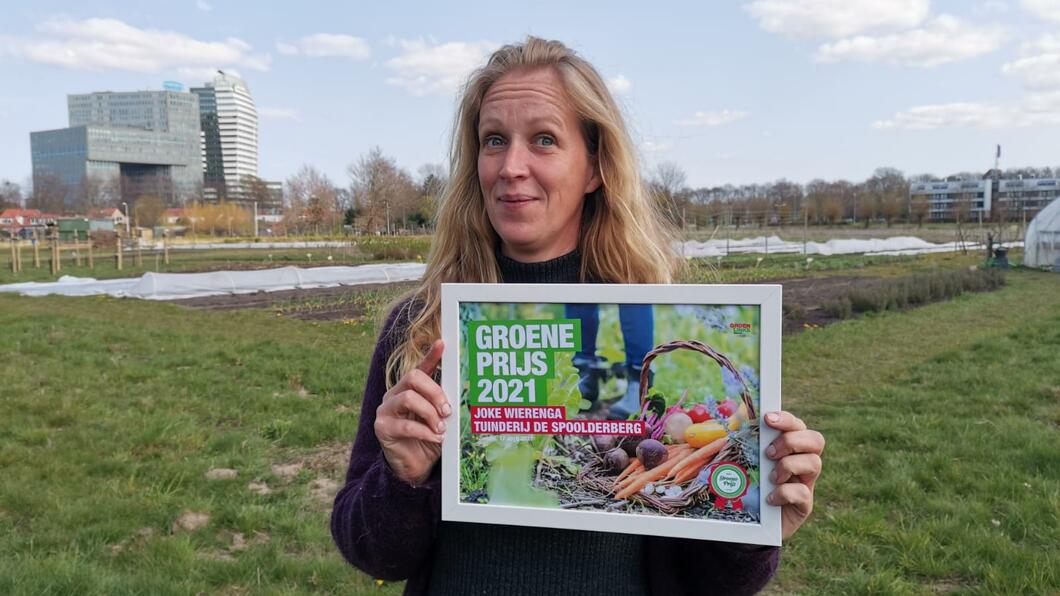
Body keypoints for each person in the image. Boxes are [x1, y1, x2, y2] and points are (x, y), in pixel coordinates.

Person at [332, 37, 825, 596]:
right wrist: (402, 478)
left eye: (544, 140)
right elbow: (371, 551)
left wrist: (754, 525)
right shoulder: (424, 328)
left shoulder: (650, 308)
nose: (512, 166)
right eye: (494, 140)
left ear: (594, 166)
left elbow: (713, 583)